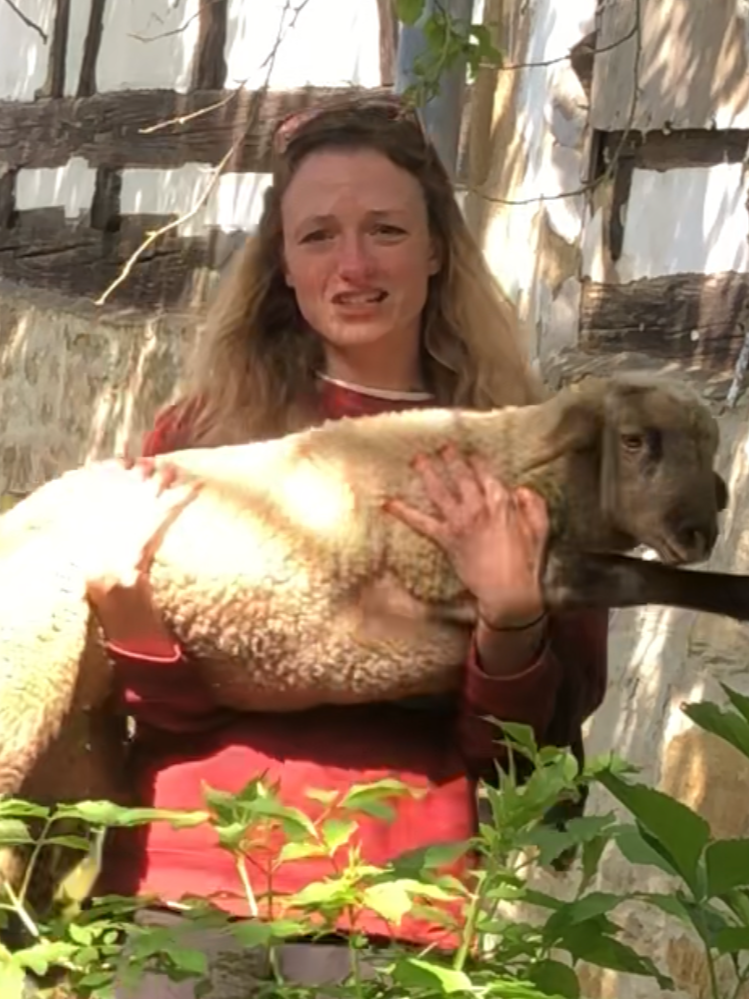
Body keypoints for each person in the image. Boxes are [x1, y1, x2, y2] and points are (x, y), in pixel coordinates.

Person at [85, 93, 609, 996]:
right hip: (193, 888)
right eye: (318, 235)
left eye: (386, 230)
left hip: (394, 905)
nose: (353, 264)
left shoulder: (528, 458)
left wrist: (510, 618)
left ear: (438, 248)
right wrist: (132, 617)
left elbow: (529, 762)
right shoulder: (202, 437)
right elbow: (164, 716)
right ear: (281, 263)